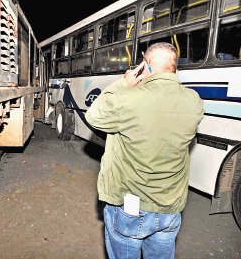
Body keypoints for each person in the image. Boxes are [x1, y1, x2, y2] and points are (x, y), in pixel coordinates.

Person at [84, 42, 204, 259]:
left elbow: (94, 116)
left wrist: (123, 83)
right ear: (174, 67)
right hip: (170, 209)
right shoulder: (194, 101)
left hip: (131, 210)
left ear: (145, 66)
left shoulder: (129, 98)